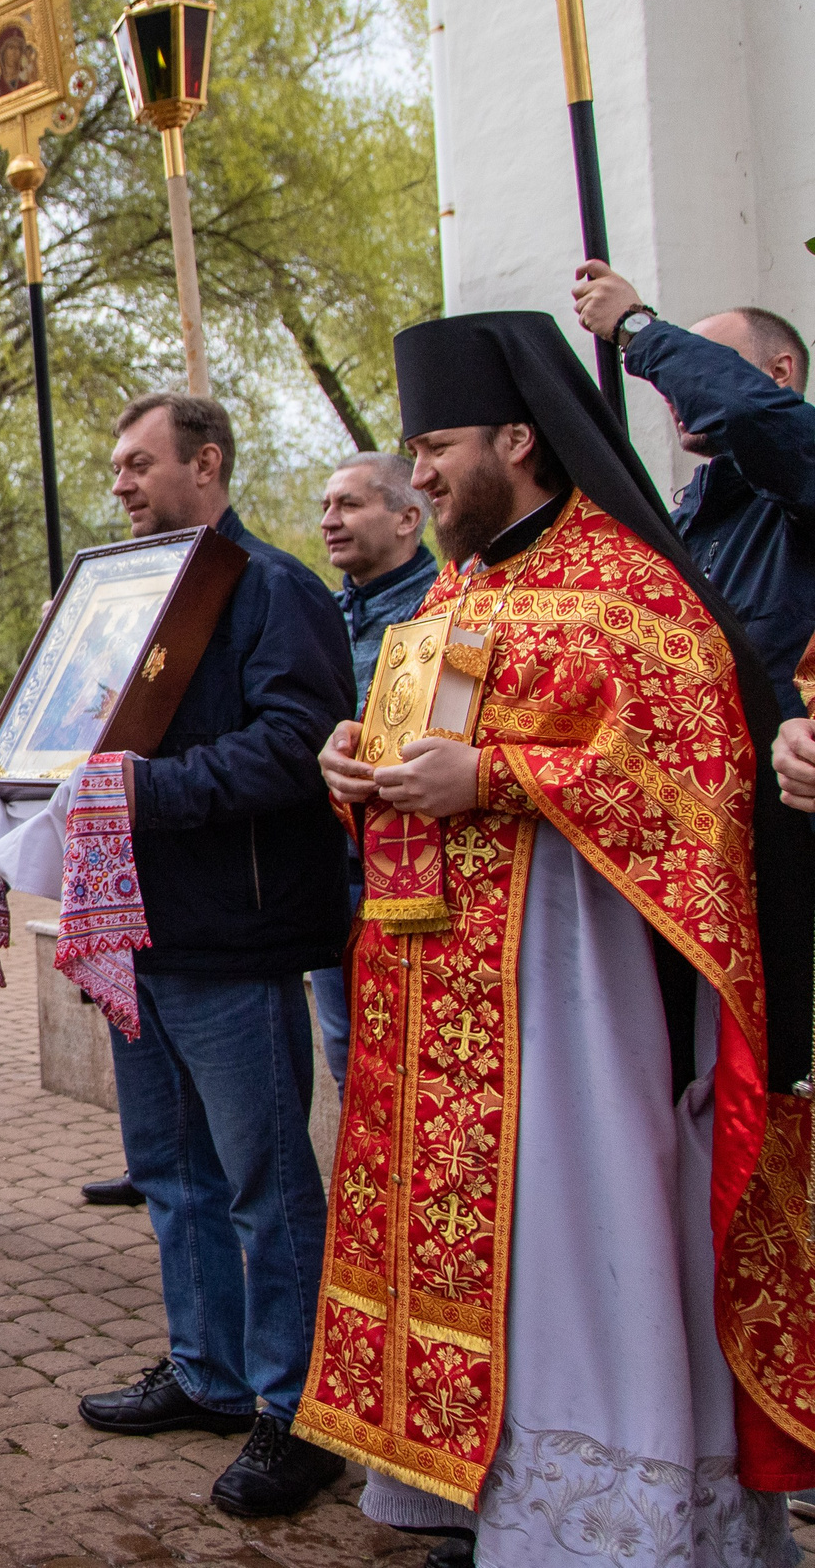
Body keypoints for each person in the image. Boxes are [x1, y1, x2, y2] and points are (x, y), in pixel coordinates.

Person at [304, 311, 815, 1555]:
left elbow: (694, 779)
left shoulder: (630, 589)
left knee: (584, 1244)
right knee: (485, 1258)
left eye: (434, 449)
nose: (413, 476)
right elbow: (410, 751)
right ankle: (491, 1501)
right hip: (443, 998)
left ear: (517, 440)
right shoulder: (462, 588)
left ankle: (616, 1521)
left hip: (581, 1007)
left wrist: (496, 780)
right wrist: (351, 764)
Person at [71, 392, 353, 1519]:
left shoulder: (269, 590)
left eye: (140, 464)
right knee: (173, 1175)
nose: (122, 484)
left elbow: (301, 747)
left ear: (209, 463)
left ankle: (300, 1413)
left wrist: (152, 791)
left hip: (234, 936)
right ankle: (210, 1371)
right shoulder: (127, 598)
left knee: (264, 1185)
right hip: (139, 926)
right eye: (116, 467)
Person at [571, 262, 815, 719]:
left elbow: (744, 412)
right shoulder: (686, 520)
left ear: (779, 371)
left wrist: (637, 329)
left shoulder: (803, 479)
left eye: (707, 361)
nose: (673, 391)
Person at [307, 453, 438, 1092]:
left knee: (423, 1058)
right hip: (338, 872)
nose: (330, 520)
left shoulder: (451, 604)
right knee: (349, 1057)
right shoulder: (320, 615)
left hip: (427, 877)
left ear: (408, 516)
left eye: (349, 505)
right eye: (326, 506)